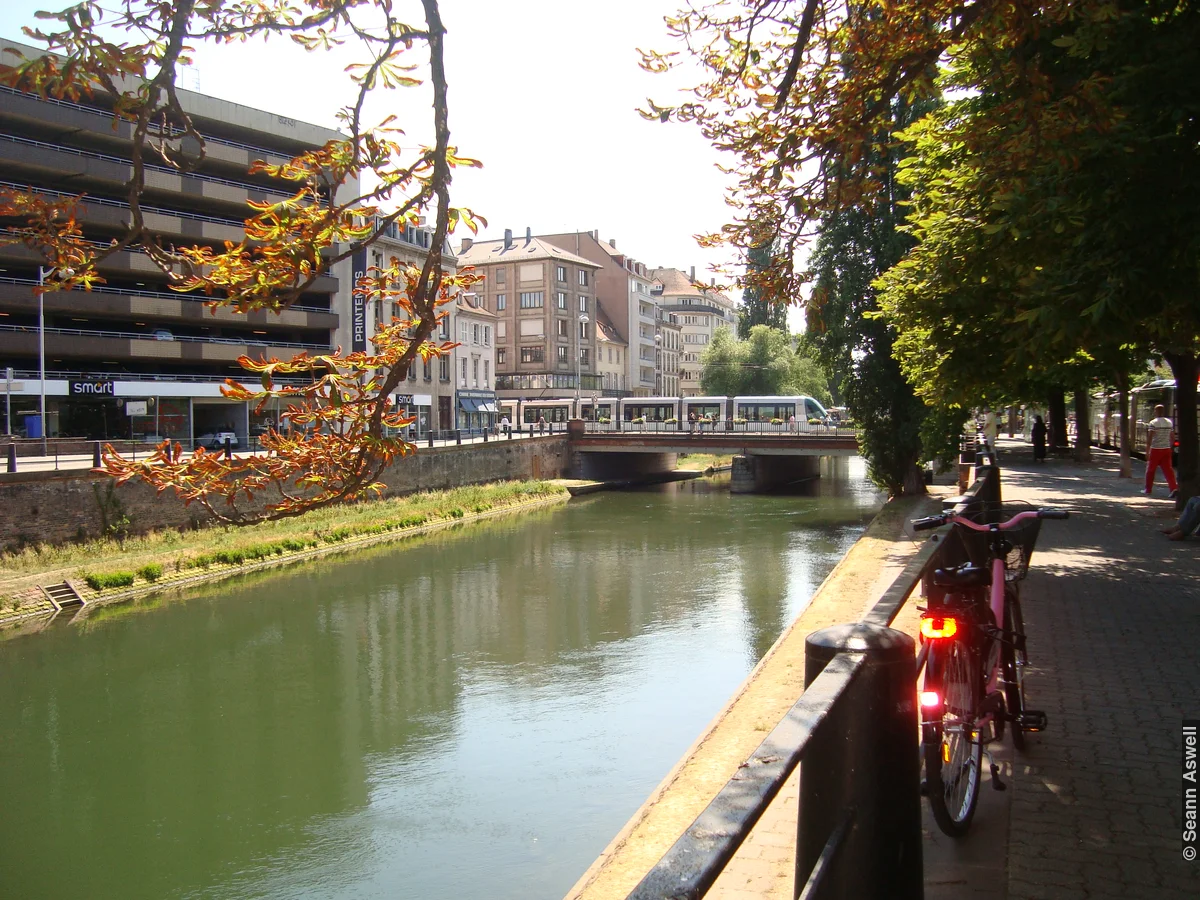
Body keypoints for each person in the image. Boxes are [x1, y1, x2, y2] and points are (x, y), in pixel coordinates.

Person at [1144, 404, 1178, 497]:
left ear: (1156, 411)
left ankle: (1148, 489)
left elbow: (1150, 438)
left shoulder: (1153, 423)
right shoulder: (1169, 422)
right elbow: (1172, 436)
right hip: (1166, 449)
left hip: (1155, 449)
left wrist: (1147, 451)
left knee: (1150, 470)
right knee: (1168, 470)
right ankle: (1173, 488)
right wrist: (1170, 446)